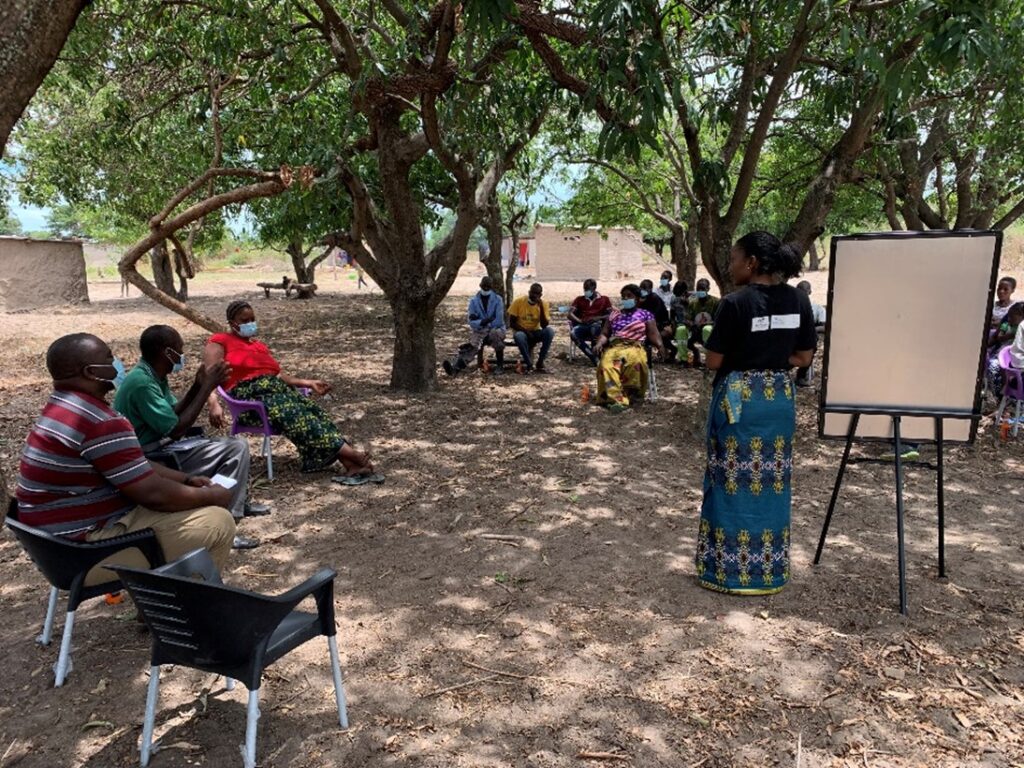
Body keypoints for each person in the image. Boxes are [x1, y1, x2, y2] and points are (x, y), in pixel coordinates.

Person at [16, 334, 236, 583]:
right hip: (84, 553)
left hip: (54, 548)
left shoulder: (61, 408)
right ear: (91, 372)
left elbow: (133, 463)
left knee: (191, 505)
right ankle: (190, 606)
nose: (117, 364)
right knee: (218, 522)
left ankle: (167, 599)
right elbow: (154, 496)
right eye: (109, 358)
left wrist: (185, 479)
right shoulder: (98, 421)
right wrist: (212, 496)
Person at [695, 231, 816, 595]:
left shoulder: (734, 303)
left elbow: (714, 360)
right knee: (773, 481)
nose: (730, 265)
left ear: (751, 263)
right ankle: (769, 571)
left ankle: (727, 573)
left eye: (734, 259)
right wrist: (772, 359)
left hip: (740, 402)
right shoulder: (799, 300)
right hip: (778, 400)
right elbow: (803, 357)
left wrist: (746, 359)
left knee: (730, 478)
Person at [114, 325, 268, 550]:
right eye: (179, 349)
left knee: (230, 445)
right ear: (167, 352)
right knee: (236, 448)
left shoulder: (152, 375)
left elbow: (172, 411)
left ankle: (235, 500)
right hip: (151, 454)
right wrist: (207, 387)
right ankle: (228, 521)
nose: (182, 354)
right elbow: (176, 429)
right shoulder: (142, 384)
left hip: (162, 444)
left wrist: (197, 386)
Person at [205, 301, 380, 482]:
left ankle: (350, 464)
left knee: (315, 414)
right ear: (232, 322)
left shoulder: (259, 346)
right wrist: (213, 403)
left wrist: (309, 383)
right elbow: (208, 375)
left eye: (252, 319)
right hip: (250, 401)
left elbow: (278, 376)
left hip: (278, 394)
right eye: (244, 320)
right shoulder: (220, 341)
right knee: (295, 414)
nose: (250, 323)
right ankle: (353, 454)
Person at [593, 284, 666, 412]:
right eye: (623, 296)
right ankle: (616, 400)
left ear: (637, 298)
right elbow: (605, 333)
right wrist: (599, 343)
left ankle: (631, 395)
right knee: (606, 365)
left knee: (634, 363)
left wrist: (660, 346)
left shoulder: (645, 314)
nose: (626, 298)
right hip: (616, 346)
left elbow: (653, 334)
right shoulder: (614, 315)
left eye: (629, 296)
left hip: (635, 346)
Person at [443, 276, 506, 375]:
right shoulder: (474, 301)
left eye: (488, 287)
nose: (486, 288)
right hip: (480, 330)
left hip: (495, 330)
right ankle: (455, 368)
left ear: (491, 287)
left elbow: (498, 321)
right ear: (480, 285)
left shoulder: (498, 300)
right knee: (472, 346)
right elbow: (471, 322)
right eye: (484, 286)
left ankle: (500, 365)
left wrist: (481, 321)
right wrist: (483, 321)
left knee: (495, 334)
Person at [508, 283, 555, 373]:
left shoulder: (543, 304)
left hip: (535, 331)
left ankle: (540, 362)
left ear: (540, 295)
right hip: (522, 331)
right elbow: (512, 323)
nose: (534, 295)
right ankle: (529, 364)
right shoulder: (519, 301)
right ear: (529, 292)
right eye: (532, 293)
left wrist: (541, 307)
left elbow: (544, 325)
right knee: (518, 336)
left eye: (537, 294)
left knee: (550, 331)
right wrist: (526, 332)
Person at [568, 278, 612, 365]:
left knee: (594, 328)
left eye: (588, 289)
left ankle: (597, 352)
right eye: (585, 289)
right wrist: (580, 321)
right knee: (573, 334)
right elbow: (570, 314)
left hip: (597, 325)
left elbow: (610, 315)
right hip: (583, 325)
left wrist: (598, 318)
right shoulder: (579, 299)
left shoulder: (604, 299)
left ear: (594, 288)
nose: (586, 291)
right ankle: (592, 356)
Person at [794, 280, 827, 387]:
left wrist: (811, 330)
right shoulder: (790, 307)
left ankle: (801, 376)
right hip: (791, 338)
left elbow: (824, 327)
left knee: (811, 345)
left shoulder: (817, 308)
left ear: (810, 292)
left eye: (805, 291)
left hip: (806, 340)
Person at [639, 278, 676, 362]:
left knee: (657, 336)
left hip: (661, 324)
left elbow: (655, 315)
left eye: (645, 288)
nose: (643, 290)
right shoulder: (640, 299)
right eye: (641, 288)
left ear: (650, 289)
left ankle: (669, 352)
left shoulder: (655, 298)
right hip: (647, 324)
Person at [687, 278, 720, 368]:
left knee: (706, 329)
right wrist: (692, 324)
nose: (700, 291)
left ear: (708, 289)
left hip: (711, 330)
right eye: (698, 289)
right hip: (695, 329)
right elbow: (687, 318)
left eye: (703, 289)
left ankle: (708, 359)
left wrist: (705, 324)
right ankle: (687, 357)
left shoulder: (715, 302)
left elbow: (718, 320)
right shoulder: (693, 302)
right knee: (681, 331)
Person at [670, 280, 691, 361]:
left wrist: (687, 303)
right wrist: (673, 324)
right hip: (680, 324)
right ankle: (683, 358)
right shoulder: (674, 299)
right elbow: (672, 315)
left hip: (690, 324)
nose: (678, 296)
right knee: (680, 331)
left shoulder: (692, 299)